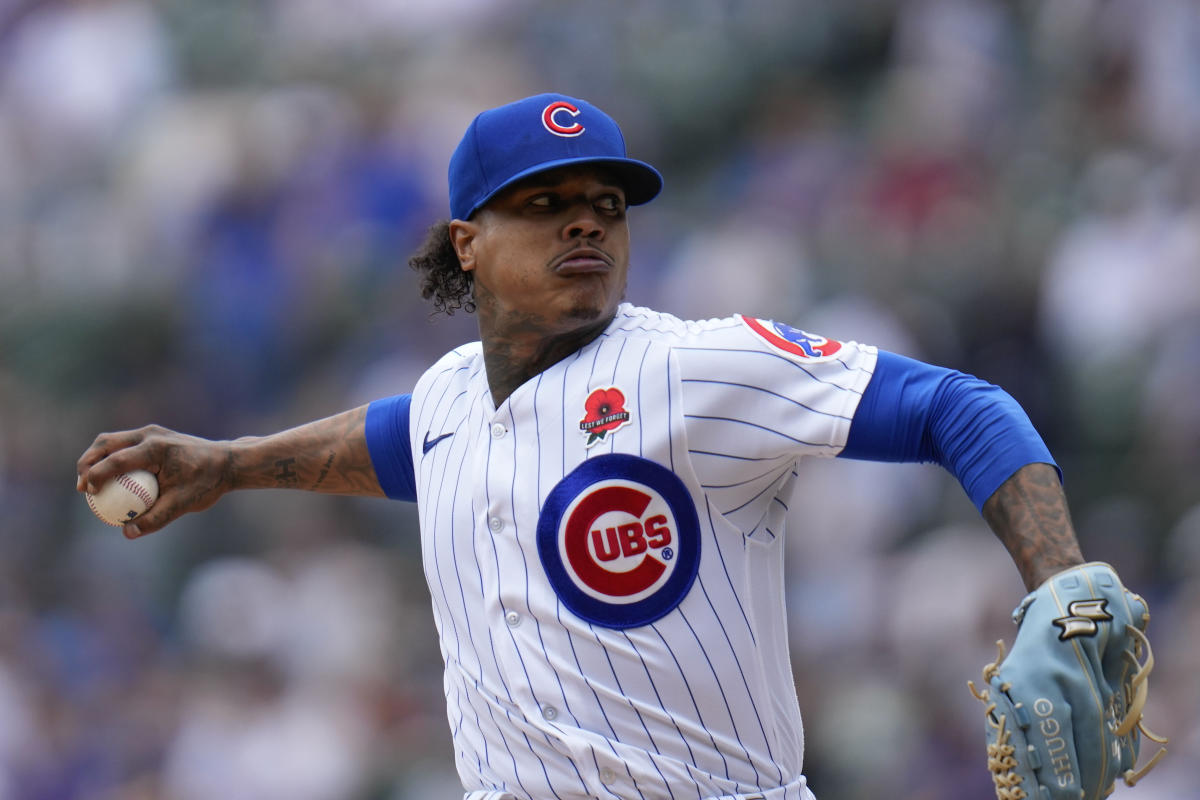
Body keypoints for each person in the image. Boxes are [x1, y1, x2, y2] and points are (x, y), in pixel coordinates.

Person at [76, 93, 1115, 800]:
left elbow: (962, 407)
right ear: (466, 242)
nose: (587, 226)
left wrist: (1063, 585)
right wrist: (232, 460)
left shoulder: (691, 367)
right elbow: (400, 440)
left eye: (604, 207)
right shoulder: (446, 397)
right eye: (547, 206)